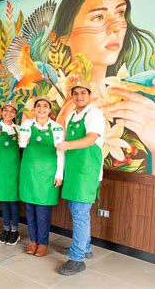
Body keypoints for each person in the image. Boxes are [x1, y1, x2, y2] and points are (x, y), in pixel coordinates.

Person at [50, 0, 155, 177]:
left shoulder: (141, 105)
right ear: (63, 37)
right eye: (98, 17)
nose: (116, 26)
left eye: (120, 13)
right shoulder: (45, 102)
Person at [56, 80, 105, 276]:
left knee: (80, 212)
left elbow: (91, 138)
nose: (78, 96)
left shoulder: (95, 114)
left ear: (89, 95)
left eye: (82, 93)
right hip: (74, 169)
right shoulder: (70, 116)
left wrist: (67, 145)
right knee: (77, 211)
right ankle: (84, 247)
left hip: (87, 171)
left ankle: (77, 259)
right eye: (75, 93)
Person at [19, 96, 64, 257]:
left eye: (46, 106)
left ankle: (43, 242)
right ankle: (33, 241)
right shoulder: (27, 124)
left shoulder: (57, 128)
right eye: (39, 106)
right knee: (30, 208)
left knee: (43, 209)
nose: (42, 108)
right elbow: (22, 144)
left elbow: (61, 152)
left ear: (50, 110)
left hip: (47, 173)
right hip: (29, 172)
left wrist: (59, 174)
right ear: (34, 109)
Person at [0, 100, 21, 246]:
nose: (8, 113)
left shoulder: (19, 129)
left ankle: (15, 231)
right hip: (0, 168)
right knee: (3, 201)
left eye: (12, 111)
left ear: (15, 114)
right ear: (1, 112)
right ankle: (6, 229)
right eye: (5, 110)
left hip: (14, 169)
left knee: (13, 202)